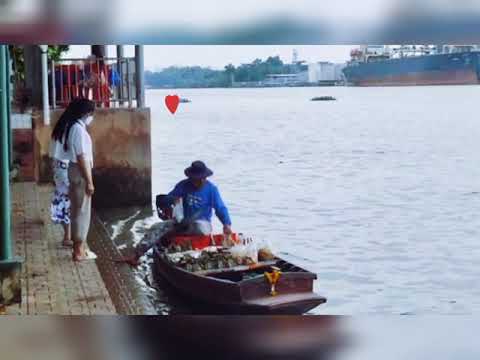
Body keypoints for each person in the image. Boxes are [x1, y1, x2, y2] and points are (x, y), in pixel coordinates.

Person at [122, 161, 233, 266]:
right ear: (191, 177)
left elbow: (220, 208)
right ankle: (136, 256)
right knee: (157, 227)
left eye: (203, 178)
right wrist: (172, 199)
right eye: (197, 179)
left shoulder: (212, 190)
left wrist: (226, 224)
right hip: (182, 223)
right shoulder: (183, 185)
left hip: (202, 226)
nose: (201, 181)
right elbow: (168, 199)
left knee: (197, 225)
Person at [52, 98, 97, 261]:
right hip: (79, 171)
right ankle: (78, 250)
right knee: (82, 211)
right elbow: (81, 157)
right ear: (86, 113)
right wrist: (90, 181)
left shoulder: (70, 126)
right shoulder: (77, 130)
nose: (92, 116)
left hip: (70, 170)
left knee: (77, 209)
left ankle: (79, 247)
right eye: (92, 113)